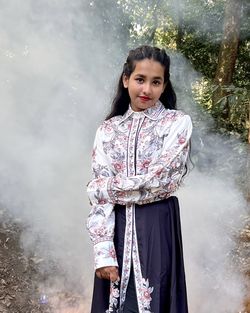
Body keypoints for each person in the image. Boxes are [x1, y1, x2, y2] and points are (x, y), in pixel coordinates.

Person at [86, 45, 192, 313]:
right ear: (126, 80)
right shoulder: (108, 130)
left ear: (164, 85)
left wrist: (106, 188)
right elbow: (99, 202)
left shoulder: (177, 124)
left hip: (157, 226)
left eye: (156, 82)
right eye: (140, 79)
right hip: (117, 229)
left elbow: (161, 182)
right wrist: (103, 252)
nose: (147, 89)